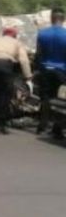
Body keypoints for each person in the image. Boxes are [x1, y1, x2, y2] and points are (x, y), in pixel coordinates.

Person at [34, 8, 66, 139]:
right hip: (62, 70)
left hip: (45, 69)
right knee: (62, 100)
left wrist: (37, 69)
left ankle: (42, 126)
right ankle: (57, 128)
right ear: (63, 20)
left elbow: (38, 54)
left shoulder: (42, 33)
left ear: (51, 19)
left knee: (45, 98)